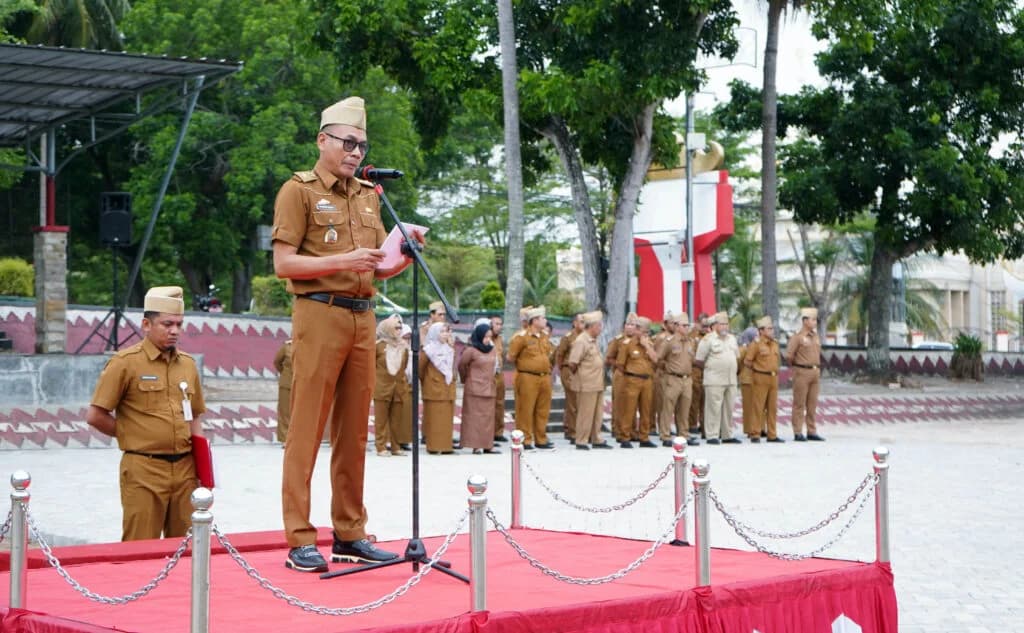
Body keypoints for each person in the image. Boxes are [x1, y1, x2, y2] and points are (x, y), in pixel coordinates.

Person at [272, 95, 418, 572]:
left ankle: (350, 533)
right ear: (323, 140)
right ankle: (299, 538)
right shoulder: (298, 191)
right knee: (307, 430)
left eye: (362, 145)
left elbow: (377, 269)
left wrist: (403, 249)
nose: (356, 152)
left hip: (363, 316)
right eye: (348, 142)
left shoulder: (368, 195)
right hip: (319, 314)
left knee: (355, 431)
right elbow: (283, 263)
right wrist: (343, 261)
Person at [86, 286, 205, 541]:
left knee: (186, 547)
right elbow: (96, 415)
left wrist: (203, 472)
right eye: (167, 324)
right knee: (140, 547)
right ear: (146, 324)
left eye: (179, 324)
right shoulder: (125, 363)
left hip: (185, 470)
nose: (174, 331)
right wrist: (133, 434)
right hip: (144, 469)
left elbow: (194, 417)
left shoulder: (188, 364)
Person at [507, 305, 554, 449]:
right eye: (542, 318)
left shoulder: (545, 336)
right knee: (525, 409)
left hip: (544, 377)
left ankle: (541, 438)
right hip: (527, 377)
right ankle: (525, 439)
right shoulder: (522, 337)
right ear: (534, 320)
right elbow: (511, 357)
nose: (545, 320)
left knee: (543, 409)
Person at [567, 310, 612, 450]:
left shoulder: (593, 340)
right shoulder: (581, 341)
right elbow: (573, 363)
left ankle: (596, 438)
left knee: (597, 414)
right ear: (591, 326)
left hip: (597, 383)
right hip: (586, 384)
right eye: (598, 326)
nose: (600, 329)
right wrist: (581, 377)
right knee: (585, 414)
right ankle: (581, 440)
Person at [694, 312, 741, 445]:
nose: (725, 327)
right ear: (715, 326)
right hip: (714, 379)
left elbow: (736, 356)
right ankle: (712, 435)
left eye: (726, 324)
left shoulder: (732, 338)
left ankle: (727, 435)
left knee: (729, 408)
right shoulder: (708, 339)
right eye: (722, 324)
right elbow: (699, 360)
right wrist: (712, 368)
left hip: (731, 380)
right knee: (713, 408)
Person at [615, 316, 659, 448]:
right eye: (644, 332)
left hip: (647, 380)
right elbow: (620, 364)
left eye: (647, 333)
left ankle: (644, 437)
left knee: (646, 410)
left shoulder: (649, 343)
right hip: (632, 379)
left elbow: (655, 360)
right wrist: (630, 375)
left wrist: (646, 346)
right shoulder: (627, 344)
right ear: (637, 330)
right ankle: (625, 437)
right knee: (629, 410)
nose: (645, 335)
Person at [458, 322, 499, 454]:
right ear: (479, 336)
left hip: (489, 388)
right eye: (486, 337)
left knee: (488, 418)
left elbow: (494, 367)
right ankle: (476, 445)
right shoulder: (471, 351)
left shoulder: (492, 350)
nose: (488, 340)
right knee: (474, 418)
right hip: (474, 390)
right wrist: (467, 379)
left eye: (490, 337)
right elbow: (462, 366)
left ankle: (488, 445)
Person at [656, 312, 697, 446]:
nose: (687, 328)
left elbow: (692, 359)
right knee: (668, 408)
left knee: (684, 409)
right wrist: (667, 369)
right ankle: (665, 435)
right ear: (677, 326)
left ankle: (683, 434)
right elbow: (659, 358)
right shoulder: (669, 341)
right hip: (673, 378)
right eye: (684, 325)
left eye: (688, 325)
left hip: (687, 379)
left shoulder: (691, 342)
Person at [786, 307, 826, 442]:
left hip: (815, 372)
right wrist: (798, 367)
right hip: (802, 372)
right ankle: (797, 432)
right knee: (799, 404)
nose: (815, 322)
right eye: (813, 320)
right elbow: (789, 355)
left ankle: (811, 430)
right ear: (805, 321)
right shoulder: (797, 337)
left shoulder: (815, 336)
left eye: (815, 320)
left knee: (812, 404)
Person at [373, 315, 409, 456]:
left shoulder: (403, 347)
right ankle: (381, 446)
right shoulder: (378, 346)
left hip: (398, 388)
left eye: (400, 328)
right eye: (396, 328)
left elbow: (404, 366)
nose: (399, 331)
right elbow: (371, 367)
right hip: (382, 387)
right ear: (387, 329)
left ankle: (395, 447)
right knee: (381, 420)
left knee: (396, 420)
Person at [745, 316, 784, 443]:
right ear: (761, 331)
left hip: (773, 378)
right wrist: (758, 369)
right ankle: (755, 433)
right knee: (758, 407)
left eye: (772, 328)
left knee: (772, 408)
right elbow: (747, 361)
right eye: (769, 329)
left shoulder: (775, 343)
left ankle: (772, 434)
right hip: (760, 377)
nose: (772, 331)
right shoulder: (756, 344)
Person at [420, 321, 457, 454]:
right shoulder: (428, 350)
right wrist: (430, 381)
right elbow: (420, 369)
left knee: (446, 420)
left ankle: (446, 446)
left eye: (447, 331)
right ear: (435, 333)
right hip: (433, 389)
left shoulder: (450, 349)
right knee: (434, 420)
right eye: (442, 331)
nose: (445, 334)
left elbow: (453, 369)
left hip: (447, 389)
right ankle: (434, 447)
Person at [606, 313, 638, 446]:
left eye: (633, 325)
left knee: (632, 404)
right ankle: (618, 431)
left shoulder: (639, 341)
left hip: (634, 376)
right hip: (621, 374)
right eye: (628, 324)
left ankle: (631, 431)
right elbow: (609, 358)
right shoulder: (617, 340)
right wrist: (620, 366)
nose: (630, 327)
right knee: (619, 403)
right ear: (624, 326)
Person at [555, 313, 583, 441]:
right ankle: (572, 432)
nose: (583, 324)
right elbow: (560, 355)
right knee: (572, 402)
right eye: (581, 321)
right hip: (569, 370)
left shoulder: (586, 337)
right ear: (574, 323)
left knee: (578, 402)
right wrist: (563, 369)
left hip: (582, 372)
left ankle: (571, 428)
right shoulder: (568, 337)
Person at [687, 313, 709, 440]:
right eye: (703, 325)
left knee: (705, 402)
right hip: (695, 372)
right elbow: (691, 356)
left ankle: (704, 425)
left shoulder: (710, 337)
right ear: (697, 323)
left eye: (707, 325)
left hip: (707, 374)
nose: (705, 328)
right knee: (694, 401)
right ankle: (692, 424)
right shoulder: (692, 336)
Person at [737, 326, 758, 441]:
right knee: (749, 407)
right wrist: (740, 373)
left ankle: (758, 428)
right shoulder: (744, 349)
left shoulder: (757, 347)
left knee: (758, 406)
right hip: (747, 380)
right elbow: (738, 362)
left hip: (757, 380)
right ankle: (750, 429)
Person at [490, 315, 508, 443]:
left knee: (500, 404)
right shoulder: (485, 338)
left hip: (499, 375)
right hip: (488, 376)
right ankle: (488, 432)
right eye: (496, 324)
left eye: (500, 324)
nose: (499, 326)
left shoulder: (500, 339)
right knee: (488, 405)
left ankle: (498, 432)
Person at [272, 339, 293, 446]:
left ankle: (298, 439)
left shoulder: (308, 346)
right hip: (287, 384)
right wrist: (285, 373)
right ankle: (285, 440)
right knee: (285, 412)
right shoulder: (287, 347)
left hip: (302, 385)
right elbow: (277, 362)